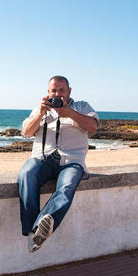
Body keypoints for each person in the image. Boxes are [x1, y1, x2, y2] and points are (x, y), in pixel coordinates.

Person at [18, 75, 99, 252]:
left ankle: (39, 229)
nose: (58, 94)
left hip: (72, 161)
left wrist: (70, 113)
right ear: (48, 92)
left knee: (67, 185)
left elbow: (93, 126)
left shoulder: (82, 106)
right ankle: (32, 233)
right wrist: (39, 114)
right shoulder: (40, 109)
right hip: (42, 159)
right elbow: (26, 132)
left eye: (62, 90)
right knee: (26, 174)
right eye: (54, 90)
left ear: (69, 91)